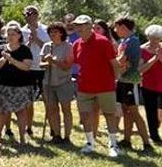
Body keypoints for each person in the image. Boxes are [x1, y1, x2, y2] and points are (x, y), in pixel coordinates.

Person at [72, 15, 122, 157]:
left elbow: (114, 63)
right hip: (84, 87)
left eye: (81, 25)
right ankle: (90, 143)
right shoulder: (76, 44)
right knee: (86, 115)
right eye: (77, 25)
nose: (78, 28)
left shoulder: (103, 41)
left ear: (89, 26)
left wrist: (116, 80)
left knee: (109, 115)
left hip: (105, 86)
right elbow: (78, 64)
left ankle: (113, 145)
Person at [0, 22, 33, 148]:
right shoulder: (1, 48)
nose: (10, 36)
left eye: (13, 34)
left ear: (19, 35)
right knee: (1, 112)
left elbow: (26, 67)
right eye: (8, 34)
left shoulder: (25, 50)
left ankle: (22, 138)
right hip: (3, 85)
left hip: (21, 86)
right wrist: (4, 59)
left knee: (21, 112)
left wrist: (12, 60)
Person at [112, 16, 150, 151]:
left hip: (130, 81)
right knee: (125, 110)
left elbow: (123, 61)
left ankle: (147, 143)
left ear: (123, 27)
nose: (115, 30)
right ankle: (127, 140)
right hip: (122, 80)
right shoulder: (124, 40)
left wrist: (114, 62)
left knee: (134, 111)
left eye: (116, 27)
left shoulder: (132, 41)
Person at [41, 22, 76, 144]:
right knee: (52, 110)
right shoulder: (47, 46)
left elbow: (67, 66)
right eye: (50, 32)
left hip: (64, 82)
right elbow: (41, 64)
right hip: (48, 83)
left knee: (66, 109)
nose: (52, 34)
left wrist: (55, 62)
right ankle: (56, 135)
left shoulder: (68, 46)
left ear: (61, 33)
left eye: (55, 32)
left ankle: (67, 136)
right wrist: (48, 63)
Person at [22, 6, 49, 138]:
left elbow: (48, 47)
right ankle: (29, 127)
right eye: (27, 14)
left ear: (38, 15)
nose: (30, 16)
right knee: (29, 99)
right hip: (29, 69)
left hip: (43, 68)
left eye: (33, 14)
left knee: (47, 98)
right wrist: (28, 42)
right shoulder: (21, 31)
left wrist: (36, 37)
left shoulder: (45, 29)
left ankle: (52, 127)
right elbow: (21, 50)